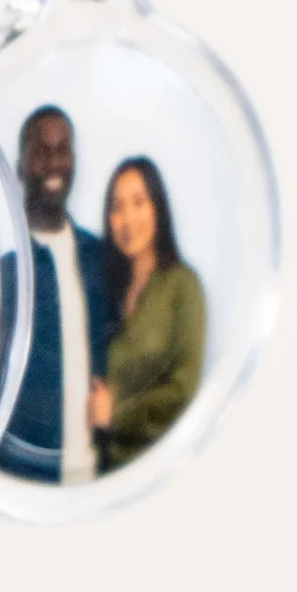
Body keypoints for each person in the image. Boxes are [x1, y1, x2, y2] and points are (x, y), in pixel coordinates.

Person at [0, 106, 109, 485]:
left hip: (97, 476)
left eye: (63, 150)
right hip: (26, 480)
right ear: (23, 164)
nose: (53, 162)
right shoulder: (4, 272)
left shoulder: (101, 259)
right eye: (41, 151)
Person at [91, 158, 206, 472]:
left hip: (159, 471)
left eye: (139, 203)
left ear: (158, 209)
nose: (127, 219)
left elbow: (185, 391)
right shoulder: (107, 290)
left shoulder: (182, 286)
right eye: (117, 208)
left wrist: (117, 413)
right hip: (102, 472)